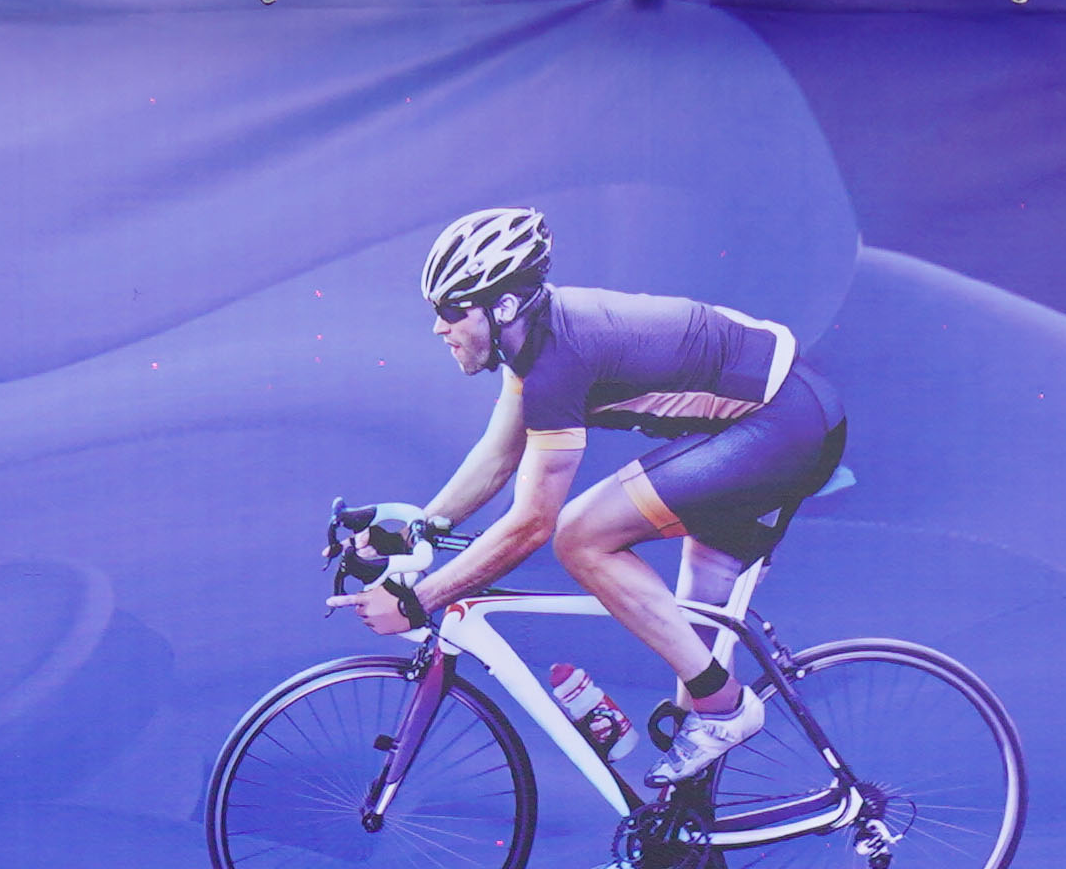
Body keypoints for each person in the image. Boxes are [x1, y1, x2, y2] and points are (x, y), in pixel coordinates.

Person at [347, 206, 847, 806]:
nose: (439, 327)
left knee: (581, 535)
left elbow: (531, 525)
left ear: (502, 307)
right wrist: (418, 529)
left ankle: (726, 708)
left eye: (453, 310)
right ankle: (686, 820)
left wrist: (418, 600)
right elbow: (498, 456)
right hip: (777, 418)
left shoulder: (557, 360)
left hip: (783, 426)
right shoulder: (534, 343)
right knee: (688, 656)